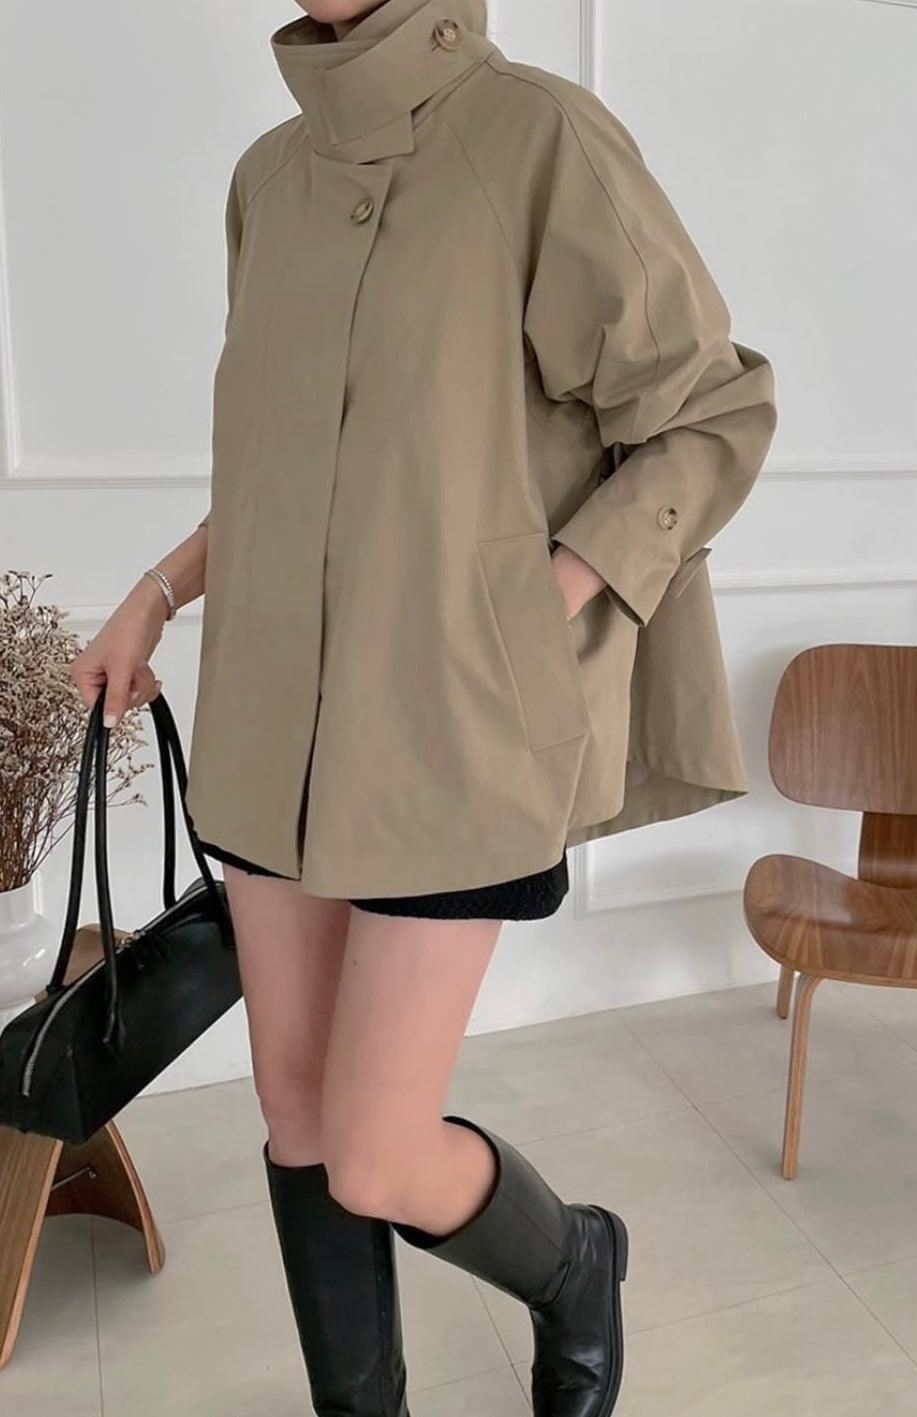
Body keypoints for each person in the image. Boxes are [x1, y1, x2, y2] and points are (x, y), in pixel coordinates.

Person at [68, 0, 777, 1413]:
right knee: (295, 1112)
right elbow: (283, 470)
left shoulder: (539, 139)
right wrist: (155, 592)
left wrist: (537, 600)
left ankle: (576, 1264)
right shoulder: (269, 178)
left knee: (376, 1152)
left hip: (457, 728)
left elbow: (712, 411)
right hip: (275, 715)